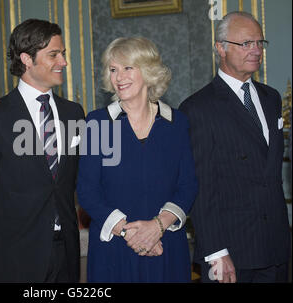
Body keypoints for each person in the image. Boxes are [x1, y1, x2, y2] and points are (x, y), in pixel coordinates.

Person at [0, 19, 85, 282]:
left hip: (66, 251)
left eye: (63, 54)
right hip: (15, 256)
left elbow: (79, 179)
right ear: (27, 59)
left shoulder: (74, 113)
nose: (63, 62)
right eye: (54, 54)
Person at [179, 11, 291, 283]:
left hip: (276, 245)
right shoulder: (198, 108)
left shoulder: (271, 98)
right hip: (231, 251)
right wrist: (216, 251)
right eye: (246, 43)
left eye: (259, 43)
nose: (255, 50)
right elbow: (202, 188)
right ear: (221, 48)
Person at [76, 37, 198, 282]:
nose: (119, 77)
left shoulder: (177, 123)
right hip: (114, 250)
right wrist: (130, 233)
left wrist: (157, 227)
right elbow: (87, 191)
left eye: (127, 68)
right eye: (113, 70)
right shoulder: (98, 123)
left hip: (166, 246)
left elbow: (187, 185)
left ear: (149, 71)